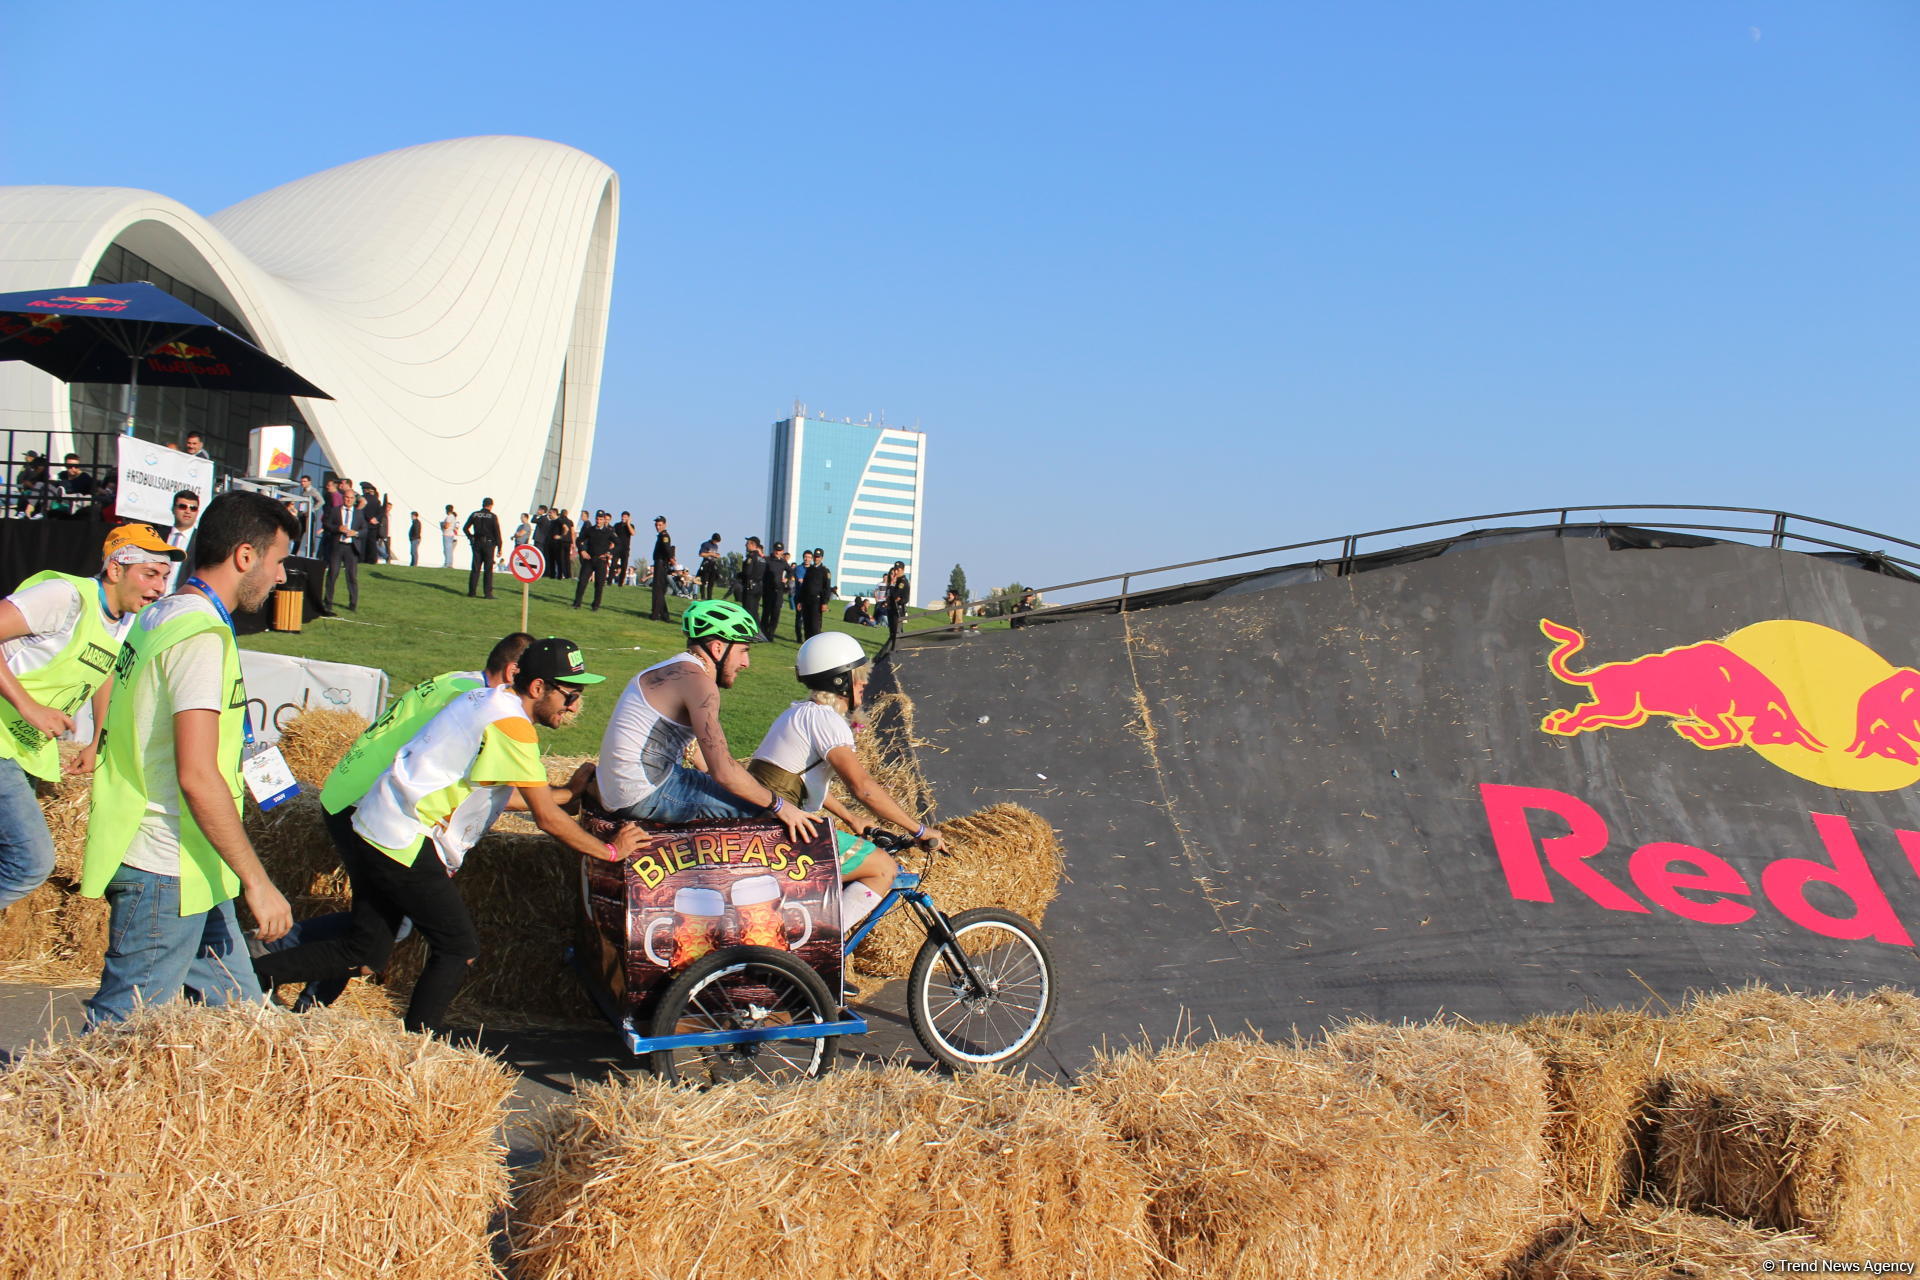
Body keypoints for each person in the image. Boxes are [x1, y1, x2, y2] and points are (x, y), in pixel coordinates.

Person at [253, 637, 644, 1035]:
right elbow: (545, 817)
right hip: (403, 839)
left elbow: (493, 789)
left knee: (366, 949)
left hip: (377, 824)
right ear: (538, 687)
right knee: (458, 948)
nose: (576, 707)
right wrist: (610, 851)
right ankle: (417, 1048)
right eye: (571, 694)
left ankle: (252, 977)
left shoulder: (485, 700)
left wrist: (565, 794)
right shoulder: (511, 726)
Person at [80, 491, 299, 1025]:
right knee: (119, 1035)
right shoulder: (199, 635)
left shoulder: (163, 613)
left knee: (243, 1020)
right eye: (277, 561)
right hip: (166, 863)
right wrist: (258, 881)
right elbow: (197, 775)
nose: (282, 577)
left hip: (192, 860)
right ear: (245, 557)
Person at [256, 632, 535, 1009]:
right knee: (383, 931)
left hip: (350, 792)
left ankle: (294, 986)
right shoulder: (479, 704)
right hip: (367, 805)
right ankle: (267, 956)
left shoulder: (459, 681)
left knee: (375, 932)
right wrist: (553, 799)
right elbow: (464, 780)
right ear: (515, 670)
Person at [0, 526, 180, 914]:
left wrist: (98, 736)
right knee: (30, 863)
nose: (159, 587)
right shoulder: (65, 597)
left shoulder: (123, 619)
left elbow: (106, 669)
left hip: (21, 749)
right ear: (115, 570)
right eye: (150, 574)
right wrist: (29, 707)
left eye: (164, 576)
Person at [747, 631, 943, 932]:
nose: (864, 683)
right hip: (777, 831)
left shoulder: (797, 713)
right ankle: (825, 945)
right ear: (839, 681)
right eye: (858, 676)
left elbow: (795, 780)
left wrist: (850, 817)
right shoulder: (827, 721)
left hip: (761, 824)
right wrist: (917, 828)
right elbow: (862, 787)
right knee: (883, 868)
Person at [595, 601, 817, 841]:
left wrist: (732, 784)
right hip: (645, 793)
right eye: (744, 650)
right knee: (764, 811)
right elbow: (723, 771)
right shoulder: (700, 684)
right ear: (718, 648)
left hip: (622, 789)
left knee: (751, 792)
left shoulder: (667, 668)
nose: (746, 663)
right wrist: (781, 806)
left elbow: (697, 751)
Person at [325, 493, 366, 612]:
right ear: (343, 499)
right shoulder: (335, 511)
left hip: (351, 548)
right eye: (347, 498)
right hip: (337, 546)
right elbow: (327, 524)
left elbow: (365, 529)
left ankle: (353, 604)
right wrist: (337, 528)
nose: (348, 500)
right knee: (333, 574)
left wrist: (356, 533)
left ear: (354, 500)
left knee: (352, 576)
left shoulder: (359, 513)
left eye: (351, 498)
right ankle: (328, 602)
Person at [573, 509, 616, 610]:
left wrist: (610, 553)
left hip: (601, 561)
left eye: (601, 519)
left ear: (604, 520)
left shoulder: (609, 532)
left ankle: (595, 605)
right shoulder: (590, 530)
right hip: (589, 559)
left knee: (599, 584)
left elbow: (618, 544)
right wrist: (582, 550)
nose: (598, 521)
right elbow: (579, 540)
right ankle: (577, 603)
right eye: (597, 519)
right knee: (582, 581)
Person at [464, 497, 503, 599]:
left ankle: (472, 592)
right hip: (489, 544)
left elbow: (465, 528)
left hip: (476, 543)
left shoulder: (475, 514)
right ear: (491, 505)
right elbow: (497, 532)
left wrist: (470, 537)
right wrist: (499, 547)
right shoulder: (493, 516)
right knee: (488, 569)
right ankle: (488, 594)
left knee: (475, 568)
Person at [164, 489, 200, 591]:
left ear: (197, 512)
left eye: (193, 508)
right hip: (153, 599)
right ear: (173, 509)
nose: (188, 511)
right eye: (182, 506)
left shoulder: (201, 541)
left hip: (181, 599)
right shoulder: (158, 535)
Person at [799, 549, 832, 642]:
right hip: (806, 600)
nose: (816, 559)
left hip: (817, 601)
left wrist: (825, 603)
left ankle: (815, 643)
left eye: (818, 557)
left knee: (815, 624)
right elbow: (804, 586)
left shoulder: (825, 571)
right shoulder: (809, 569)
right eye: (815, 557)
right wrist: (800, 600)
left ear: (822, 558)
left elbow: (827, 588)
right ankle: (807, 642)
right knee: (806, 623)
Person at [50, 453, 96, 519]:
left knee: (80, 495)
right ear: (65, 465)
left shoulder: (85, 477)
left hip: (77, 501)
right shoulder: (62, 475)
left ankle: (72, 504)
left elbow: (91, 493)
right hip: (62, 502)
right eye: (70, 466)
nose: (73, 469)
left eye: (76, 466)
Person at [761, 542, 791, 641]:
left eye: (780, 551)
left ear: (782, 551)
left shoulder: (783, 562)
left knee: (776, 613)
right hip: (768, 590)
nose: (778, 552)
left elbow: (791, 571)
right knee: (766, 613)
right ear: (773, 550)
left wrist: (787, 578)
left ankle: (771, 633)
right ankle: (763, 633)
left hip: (778, 591)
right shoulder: (767, 560)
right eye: (776, 550)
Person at [648, 516, 674, 622]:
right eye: (656, 525)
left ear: (664, 525)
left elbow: (667, 549)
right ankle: (664, 615)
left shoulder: (664, 536)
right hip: (660, 563)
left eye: (659, 525)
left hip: (661, 564)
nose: (657, 527)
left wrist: (671, 559)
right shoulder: (661, 536)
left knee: (658, 591)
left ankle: (655, 615)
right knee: (660, 590)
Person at [738, 536, 766, 624]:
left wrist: (738, 575)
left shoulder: (751, 557)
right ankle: (757, 630)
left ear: (753, 544)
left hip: (750, 587)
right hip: (759, 587)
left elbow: (747, 573)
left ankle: (749, 632)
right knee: (755, 611)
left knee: (748, 610)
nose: (745, 545)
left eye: (747, 543)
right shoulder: (762, 559)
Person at [886, 562, 910, 646]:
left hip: (898, 609)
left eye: (898, 570)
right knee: (892, 632)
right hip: (892, 608)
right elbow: (890, 595)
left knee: (897, 632)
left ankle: (899, 648)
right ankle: (894, 648)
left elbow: (896, 595)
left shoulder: (902, 582)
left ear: (903, 570)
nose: (896, 572)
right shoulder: (896, 580)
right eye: (895, 569)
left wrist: (892, 584)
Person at [611, 512, 635, 590]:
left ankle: (621, 583)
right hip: (617, 547)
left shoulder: (631, 526)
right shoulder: (617, 525)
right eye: (622, 516)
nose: (623, 518)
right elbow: (613, 534)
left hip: (625, 549)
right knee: (613, 564)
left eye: (625, 517)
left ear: (628, 517)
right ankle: (609, 581)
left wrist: (628, 524)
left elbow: (633, 533)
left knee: (624, 566)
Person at [697, 533, 722, 600]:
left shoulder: (716, 546)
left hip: (713, 564)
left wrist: (717, 555)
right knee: (703, 581)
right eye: (716, 541)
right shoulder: (705, 544)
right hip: (706, 564)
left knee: (711, 582)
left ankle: (709, 598)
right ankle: (703, 596)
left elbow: (714, 554)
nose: (716, 542)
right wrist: (710, 554)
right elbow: (701, 554)